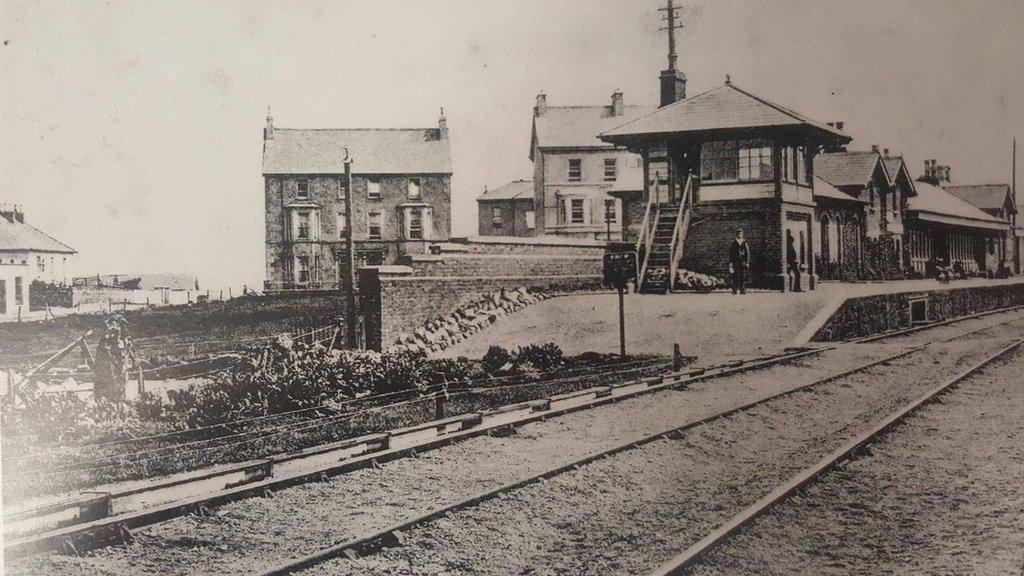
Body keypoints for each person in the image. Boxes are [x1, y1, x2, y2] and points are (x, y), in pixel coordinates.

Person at [728, 229, 750, 294]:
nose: (739, 235)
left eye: (740, 233)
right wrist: (730, 262)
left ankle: (742, 290)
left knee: (742, 276)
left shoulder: (744, 242)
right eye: (738, 233)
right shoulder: (734, 243)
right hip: (735, 262)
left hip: (742, 262)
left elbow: (747, 253)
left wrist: (747, 262)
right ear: (736, 234)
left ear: (742, 234)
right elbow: (731, 253)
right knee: (735, 276)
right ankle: (734, 290)